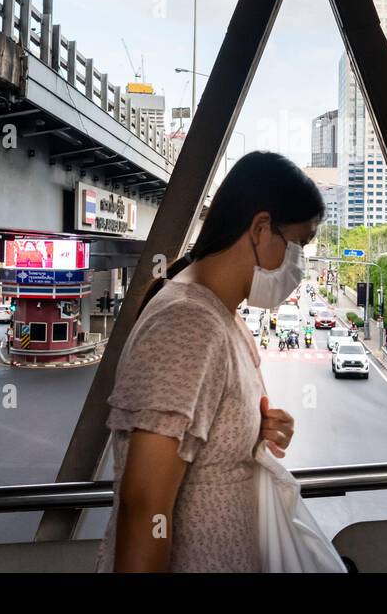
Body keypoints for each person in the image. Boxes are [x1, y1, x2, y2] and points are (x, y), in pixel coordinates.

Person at [96, 152, 323, 573]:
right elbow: (145, 510)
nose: (300, 267)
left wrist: (260, 430)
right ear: (260, 228)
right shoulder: (188, 323)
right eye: (299, 245)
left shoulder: (222, 315)